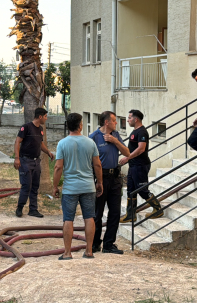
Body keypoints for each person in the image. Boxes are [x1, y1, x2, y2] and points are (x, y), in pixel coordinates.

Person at [52, 113, 103, 260]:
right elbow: (97, 165)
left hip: (70, 188)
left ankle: (67, 253)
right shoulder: (90, 143)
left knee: (68, 219)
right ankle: (89, 251)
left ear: (68, 126)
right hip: (88, 186)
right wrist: (99, 182)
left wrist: (55, 186)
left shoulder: (62, 143)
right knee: (89, 217)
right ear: (80, 125)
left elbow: (58, 167)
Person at [88, 111, 129, 254]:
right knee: (97, 212)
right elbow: (89, 160)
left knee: (115, 212)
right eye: (114, 120)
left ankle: (108, 244)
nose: (116, 123)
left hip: (115, 178)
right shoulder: (94, 137)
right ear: (106, 122)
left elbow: (127, 153)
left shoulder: (116, 135)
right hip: (101, 178)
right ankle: (94, 243)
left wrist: (115, 141)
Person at [120, 109, 164, 223]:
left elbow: (141, 149)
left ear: (136, 119)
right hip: (133, 165)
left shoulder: (142, 132)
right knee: (131, 190)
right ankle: (130, 215)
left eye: (129, 118)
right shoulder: (135, 131)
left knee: (142, 189)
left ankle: (158, 209)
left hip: (140, 165)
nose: (128, 120)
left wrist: (127, 158)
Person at [13, 107, 55, 218]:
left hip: (36, 162)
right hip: (25, 161)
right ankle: (19, 208)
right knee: (26, 185)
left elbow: (40, 143)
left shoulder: (40, 129)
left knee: (35, 186)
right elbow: (17, 141)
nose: (46, 118)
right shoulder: (26, 127)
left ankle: (33, 209)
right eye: (45, 116)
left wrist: (48, 152)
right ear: (40, 116)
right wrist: (17, 158)